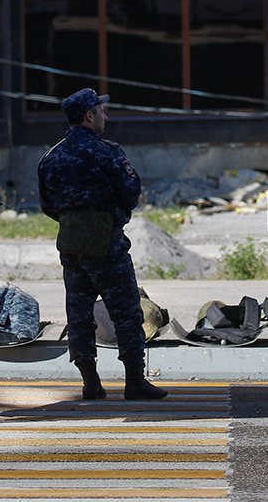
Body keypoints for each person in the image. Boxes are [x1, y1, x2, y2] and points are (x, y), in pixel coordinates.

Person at [37, 88, 167, 401]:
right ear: (89, 116)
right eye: (101, 111)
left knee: (79, 314)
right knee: (125, 311)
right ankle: (135, 381)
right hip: (106, 242)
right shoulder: (106, 152)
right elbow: (131, 190)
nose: (105, 116)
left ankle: (90, 383)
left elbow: (47, 205)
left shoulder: (50, 157)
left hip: (70, 241)